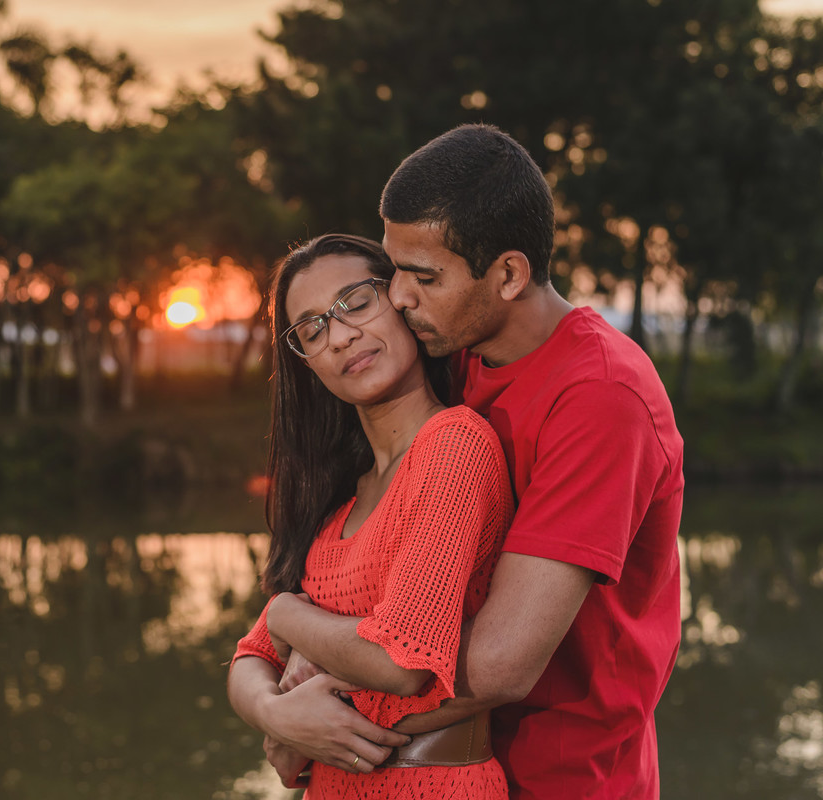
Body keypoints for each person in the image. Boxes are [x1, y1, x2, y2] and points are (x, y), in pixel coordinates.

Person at [367, 124, 683, 799]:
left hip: (561, 778)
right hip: (433, 769)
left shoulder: (600, 396)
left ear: (508, 274)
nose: (398, 296)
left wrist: (322, 679)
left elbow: (502, 663)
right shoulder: (450, 353)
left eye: (425, 277)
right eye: (396, 269)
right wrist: (269, 693)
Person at [227, 232, 515, 798]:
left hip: (432, 785)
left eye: (356, 302)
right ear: (307, 363)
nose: (340, 336)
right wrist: (275, 716)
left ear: (404, 300)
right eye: (312, 330)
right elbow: (249, 660)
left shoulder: (453, 445)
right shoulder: (336, 499)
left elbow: (401, 660)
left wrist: (287, 615)